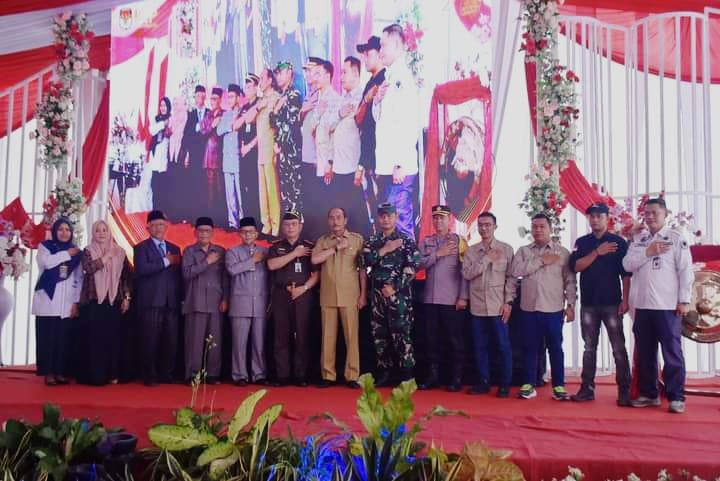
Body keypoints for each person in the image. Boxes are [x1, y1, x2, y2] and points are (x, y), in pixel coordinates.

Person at [622, 197, 694, 414]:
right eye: (647, 213)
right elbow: (627, 265)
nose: (650, 217)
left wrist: (684, 300)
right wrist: (648, 252)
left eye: (655, 212)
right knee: (645, 353)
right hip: (642, 306)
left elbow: (685, 271)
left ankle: (676, 397)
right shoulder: (640, 239)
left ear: (665, 214)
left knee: (672, 353)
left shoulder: (675, 238)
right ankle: (649, 394)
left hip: (667, 306)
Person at [569, 203, 632, 406]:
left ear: (607, 218)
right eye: (592, 216)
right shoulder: (582, 242)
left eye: (599, 216)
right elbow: (576, 266)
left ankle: (625, 390)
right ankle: (587, 388)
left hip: (612, 303)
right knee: (589, 348)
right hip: (589, 304)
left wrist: (626, 300)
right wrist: (597, 252)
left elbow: (626, 275)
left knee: (618, 348)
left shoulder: (618, 242)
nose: (595, 220)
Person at [511, 214, 577, 400]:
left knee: (555, 348)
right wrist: (540, 261)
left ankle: (559, 386)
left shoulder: (562, 252)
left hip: (553, 308)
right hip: (529, 309)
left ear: (550, 229)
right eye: (535, 227)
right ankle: (529, 384)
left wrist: (571, 304)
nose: (538, 230)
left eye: (542, 226)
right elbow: (515, 271)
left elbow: (570, 281)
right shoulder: (523, 251)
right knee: (529, 348)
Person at [361, 203, 420, 386]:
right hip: (377, 296)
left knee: (402, 335)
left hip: (399, 297)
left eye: (389, 216)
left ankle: (407, 375)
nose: (386, 219)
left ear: (396, 217)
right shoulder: (372, 241)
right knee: (380, 335)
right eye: (382, 216)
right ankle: (384, 373)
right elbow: (363, 261)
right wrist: (385, 249)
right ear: (378, 218)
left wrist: (394, 287)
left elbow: (412, 267)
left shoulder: (406, 240)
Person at [461, 212, 516, 397]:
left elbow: (511, 279)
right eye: (481, 225)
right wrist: (486, 259)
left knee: (502, 346)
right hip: (477, 307)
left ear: (495, 226)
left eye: (488, 225)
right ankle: (483, 382)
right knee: (479, 347)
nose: (484, 228)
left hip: (498, 306)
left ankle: (504, 384)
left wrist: (508, 302)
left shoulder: (506, 249)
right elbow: (467, 274)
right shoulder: (471, 251)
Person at [372, 25, 419, 239]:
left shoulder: (402, 78)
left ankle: (409, 261)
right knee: (389, 225)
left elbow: (408, 122)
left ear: (398, 46)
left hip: (399, 167)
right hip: (388, 165)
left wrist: (400, 162)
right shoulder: (388, 77)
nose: (380, 50)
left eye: (384, 45)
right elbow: (381, 121)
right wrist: (377, 100)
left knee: (400, 222)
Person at [311, 207, 366, 389]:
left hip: (350, 295)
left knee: (352, 337)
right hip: (327, 295)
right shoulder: (323, 241)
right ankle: (328, 375)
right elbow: (315, 260)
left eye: (339, 217)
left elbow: (363, 270)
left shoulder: (357, 240)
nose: (335, 221)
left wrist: (363, 294)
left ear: (345, 219)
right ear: (328, 221)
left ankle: (352, 375)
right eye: (332, 218)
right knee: (327, 337)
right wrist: (335, 248)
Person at [417, 205, 469, 392]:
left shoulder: (459, 241)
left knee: (454, 340)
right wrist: (438, 254)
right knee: (431, 340)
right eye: (436, 218)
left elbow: (465, 271)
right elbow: (417, 264)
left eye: (442, 218)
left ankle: (456, 377)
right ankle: (433, 376)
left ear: (450, 220)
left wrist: (463, 296)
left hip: (451, 300)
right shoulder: (426, 242)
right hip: (430, 299)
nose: (438, 221)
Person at [267, 211, 319, 386]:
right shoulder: (276, 247)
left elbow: (317, 275)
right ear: (282, 227)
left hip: (303, 295)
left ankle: (301, 375)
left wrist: (303, 289)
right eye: (287, 224)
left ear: (300, 227)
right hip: (281, 295)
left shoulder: (309, 247)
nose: (290, 228)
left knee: (302, 335)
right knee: (281, 335)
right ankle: (282, 375)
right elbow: (271, 265)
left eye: (294, 224)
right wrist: (295, 254)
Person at [77, 220, 132, 386]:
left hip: (113, 301)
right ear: (93, 233)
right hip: (94, 302)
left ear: (109, 233)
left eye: (104, 230)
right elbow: (88, 268)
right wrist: (106, 257)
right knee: (96, 340)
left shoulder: (120, 252)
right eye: (98, 231)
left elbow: (126, 277)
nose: (101, 233)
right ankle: (96, 375)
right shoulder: (88, 250)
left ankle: (112, 374)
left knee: (112, 339)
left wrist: (127, 297)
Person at [134, 210, 182, 386]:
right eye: (154, 225)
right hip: (151, 302)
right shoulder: (141, 248)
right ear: (148, 227)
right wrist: (166, 261)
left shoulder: (175, 248)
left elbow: (178, 276)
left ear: (166, 226)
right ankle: (149, 375)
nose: (158, 228)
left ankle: (166, 374)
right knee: (150, 340)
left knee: (171, 341)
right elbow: (142, 269)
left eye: (161, 224)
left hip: (171, 302)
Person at [32, 218, 83, 386]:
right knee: (48, 338)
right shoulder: (45, 247)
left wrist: (75, 302)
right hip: (48, 300)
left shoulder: (76, 252)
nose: (64, 233)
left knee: (63, 339)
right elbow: (46, 263)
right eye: (60, 229)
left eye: (67, 230)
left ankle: (61, 372)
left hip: (67, 302)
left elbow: (79, 278)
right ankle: (48, 373)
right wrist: (66, 254)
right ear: (55, 231)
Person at [182, 217, 228, 384]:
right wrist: (207, 261)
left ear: (212, 232)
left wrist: (225, 298)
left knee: (215, 341)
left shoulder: (220, 251)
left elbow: (225, 278)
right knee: (194, 342)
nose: (204, 234)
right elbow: (187, 273)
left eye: (207, 231)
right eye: (201, 230)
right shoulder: (189, 251)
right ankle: (192, 374)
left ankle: (213, 374)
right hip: (196, 301)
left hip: (216, 302)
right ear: (195, 232)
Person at [327, 56, 370, 236]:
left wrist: (362, 166)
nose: (341, 77)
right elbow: (328, 126)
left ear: (356, 74)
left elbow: (366, 134)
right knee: (342, 216)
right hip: (339, 167)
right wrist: (340, 113)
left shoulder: (363, 98)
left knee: (359, 217)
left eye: (345, 72)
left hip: (354, 168)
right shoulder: (341, 99)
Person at [225, 217, 269, 386]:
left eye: (251, 232)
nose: (248, 235)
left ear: (256, 233)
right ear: (239, 234)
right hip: (239, 304)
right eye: (244, 232)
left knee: (259, 343)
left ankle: (259, 374)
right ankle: (239, 375)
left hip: (260, 303)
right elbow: (232, 270)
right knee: (239, 343)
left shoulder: (265, 251)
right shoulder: (232, 252)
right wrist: (253, 261)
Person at [355, 36, 386, 222]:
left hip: (380, 153)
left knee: (384, 205)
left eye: (368, 54)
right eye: (364, 54)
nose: (365, 58)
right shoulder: (369, 83)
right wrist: (367, 99)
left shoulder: (385, 79)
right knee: (373, 204)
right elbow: (358, 119)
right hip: (368, 152)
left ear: (380, 53)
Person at [270, 61, 303, 213]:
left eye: (281, 73)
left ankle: (298, 224)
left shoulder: (294, 94)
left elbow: (290, 123)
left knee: (295, 193)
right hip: (283, 151)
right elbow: (272, 121)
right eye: (276, 74)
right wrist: (276, 110)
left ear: (289, 73)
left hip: (292, 152)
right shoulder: (282, 96)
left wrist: (278, 142)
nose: (278, 77)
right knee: (286, 193)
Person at [253, 68, 282, 235]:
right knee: (262, 190)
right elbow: (248, 119)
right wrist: (259, 107)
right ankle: (266, 224)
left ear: (270, 80)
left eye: (262, 78)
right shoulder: (261, 101)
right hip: (260, 150)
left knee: (272, 189)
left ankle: (276, 226)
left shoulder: (276, 98)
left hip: (271, 149)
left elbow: (277, 125)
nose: (260, 82)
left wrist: (277, 149)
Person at [217, 84, 246, 228]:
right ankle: (233, 223)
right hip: (227, 157)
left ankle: (243, 220)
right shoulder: (226, 114)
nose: (229, 100)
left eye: (232, 96)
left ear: (238, 97)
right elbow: (219, 130)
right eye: (228, 97)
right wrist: (230, 126)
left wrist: (230, 126)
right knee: (230, 193)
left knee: (240, 193)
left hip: (238, 156)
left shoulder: (243, 112)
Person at [180, 85, 210, 221]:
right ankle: (193, 216)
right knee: (193, 184)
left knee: (206, 186)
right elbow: (186, 135)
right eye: (198, 96)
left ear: (205, 97)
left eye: (203, 96)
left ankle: (205, 215)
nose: (200, 99)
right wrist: (187, 154)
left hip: (207, 154)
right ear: (195, 97)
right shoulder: (191, 114)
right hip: (193, 155)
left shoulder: (210, 113)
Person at [237, 74, 261, 221]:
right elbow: (237, 127)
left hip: (255, 150)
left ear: (256, 88)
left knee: (255, 187)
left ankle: (257, 221)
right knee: (245, 186)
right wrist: (242, 146)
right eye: (245, 87)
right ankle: (247, 220)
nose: (247, 90)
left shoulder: (260, 104)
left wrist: (250, 146)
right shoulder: (244, 108)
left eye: (250, 87)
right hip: (243, 151)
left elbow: (262, 131)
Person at [200, 87, 225, 222]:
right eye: (211, 99)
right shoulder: (208, 115)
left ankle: (222, 219)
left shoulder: (224, 113)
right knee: (210, 189)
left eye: (215, 99)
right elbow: (203, 132)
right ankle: (212, 218)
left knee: (220, 188)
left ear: (220, 100)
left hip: (220, 155)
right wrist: (212, 125)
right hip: (209, 156)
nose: (213, 101)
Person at [148, 97, 172, 212]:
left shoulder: (172, 119)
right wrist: (163, 123)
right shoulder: (156, 119)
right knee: (154, 186)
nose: (163, 108)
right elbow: (152, 130)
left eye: (165, 105)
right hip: (156, 156)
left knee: (164, 187)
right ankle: (155, 211)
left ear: (168, 107)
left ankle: (163, 212)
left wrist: (168, 123)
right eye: (161, 105)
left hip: (166, 157)